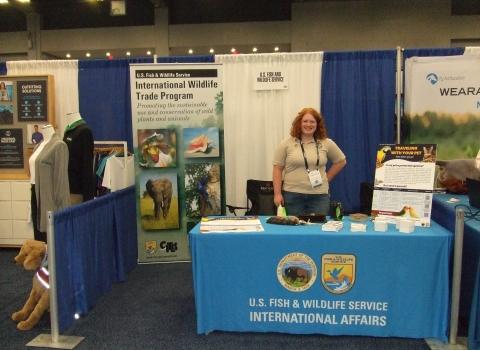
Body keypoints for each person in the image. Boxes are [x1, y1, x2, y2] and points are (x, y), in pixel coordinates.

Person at [272, 107, 346, 216]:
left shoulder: (327, 143)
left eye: (312, 121)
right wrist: (277, 194)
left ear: (317, 125)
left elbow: (341, 161)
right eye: (305, 121)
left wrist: (326, 178)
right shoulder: (286, 143)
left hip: (319, 196)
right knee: (294, 229)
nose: (308, 124)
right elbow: (277, 169)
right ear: (299, 123)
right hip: (292, 195)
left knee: (318, 230)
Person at [29, 125, 71, 242]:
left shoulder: (59, 146)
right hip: (35, 192)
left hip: (50, 196)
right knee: (38, 232)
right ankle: (42, 259)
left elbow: (61, 179)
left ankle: (52, 260)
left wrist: (59, 206)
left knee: (50, 236)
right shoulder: (38, 146)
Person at [63, 112, 95, 204]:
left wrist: (88, 198)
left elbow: (87, 165)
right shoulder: (68, 131)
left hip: (77, 192)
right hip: (67, 189)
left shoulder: (84, 131)